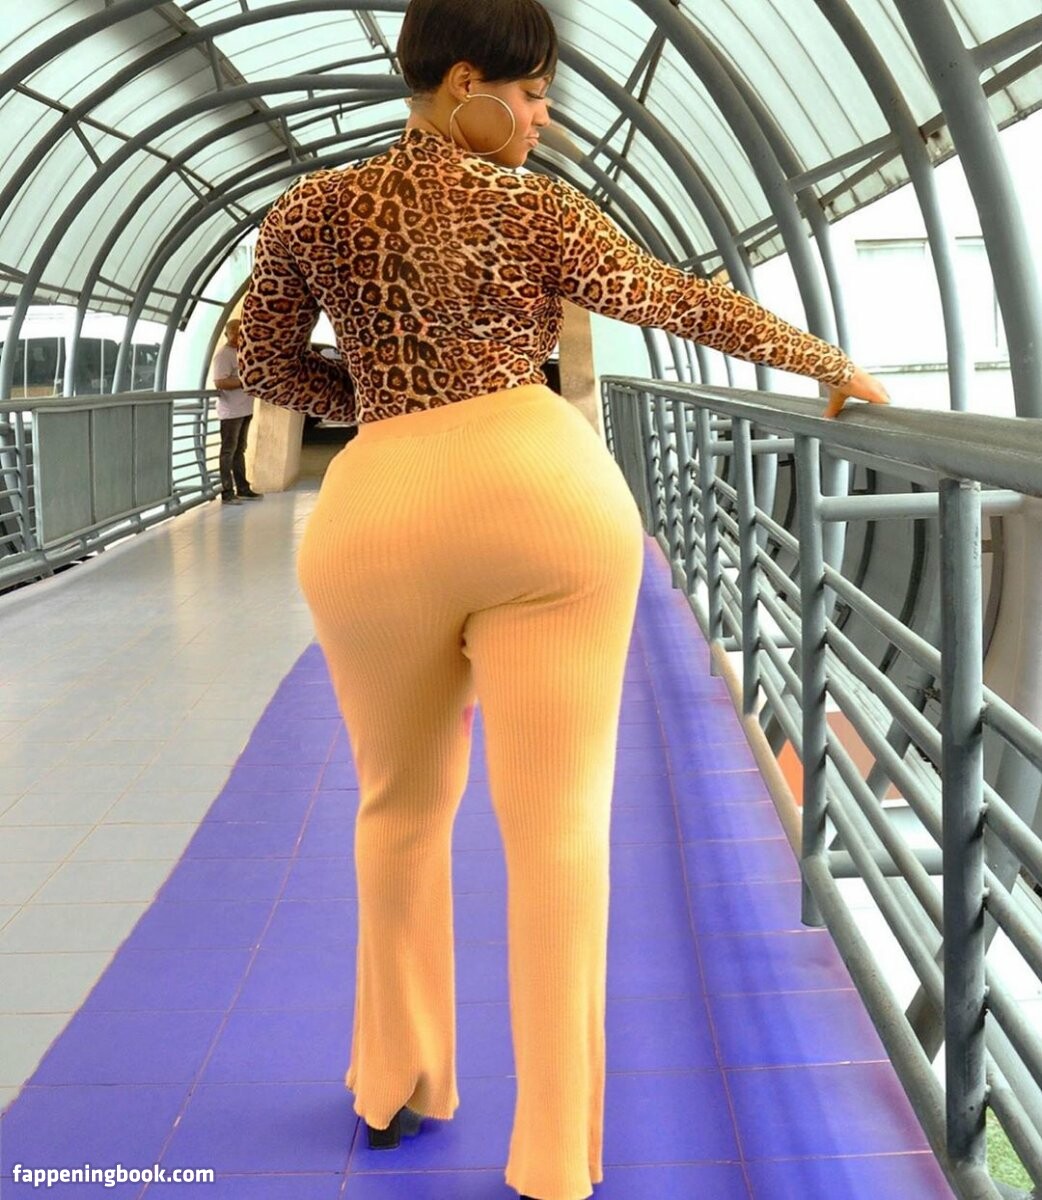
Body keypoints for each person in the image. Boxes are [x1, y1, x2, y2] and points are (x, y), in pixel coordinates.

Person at [237, 1, 890, 1196]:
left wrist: (378, 397)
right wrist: (826, 363)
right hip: (543, 502)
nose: (543, 120)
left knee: (396, 809)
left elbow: (265, 361)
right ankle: (550, 1157)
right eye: (533, 95)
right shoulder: (534, 209)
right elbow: (672, 298)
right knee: (559, 835)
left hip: (376, 514)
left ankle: (395, 1083)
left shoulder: (309, 210)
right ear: (465, 83)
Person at [212, 319, 262, 504]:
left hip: (245, 409)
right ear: (227, 334)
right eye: (234, 332)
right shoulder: (223, 355)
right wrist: (245, 381)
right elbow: (220, 382)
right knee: (228, 451)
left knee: (240, 449)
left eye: (241, 331)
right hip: (231, 412)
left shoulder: (244, 352)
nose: (238, 335)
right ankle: (227, 492)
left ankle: (243, 488)